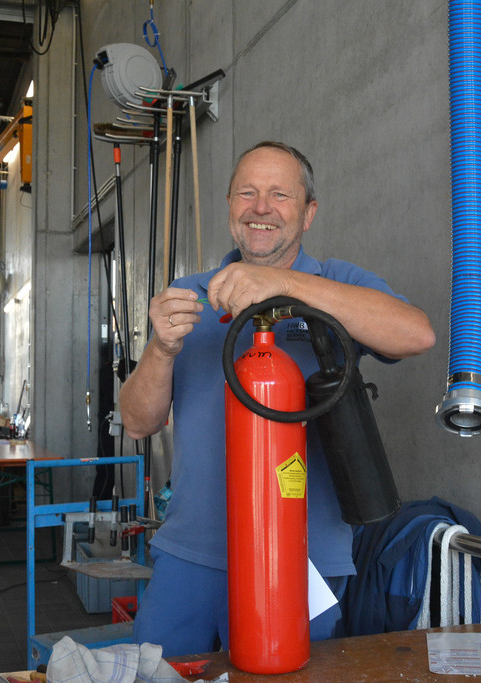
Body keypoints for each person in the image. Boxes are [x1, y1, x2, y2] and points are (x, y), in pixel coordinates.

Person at [119, 141, 436, 655]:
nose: (261, 207)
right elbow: (137, 423)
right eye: (246, 193)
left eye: (279, 195)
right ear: (230, 206)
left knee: (287, 671)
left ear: (308, 213)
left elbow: (416, 334)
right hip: (193, 554)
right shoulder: (189, 295)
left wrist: (283, 283)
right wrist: (161, 348)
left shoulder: (337, 284)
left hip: (301, 559)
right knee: (160, 672)